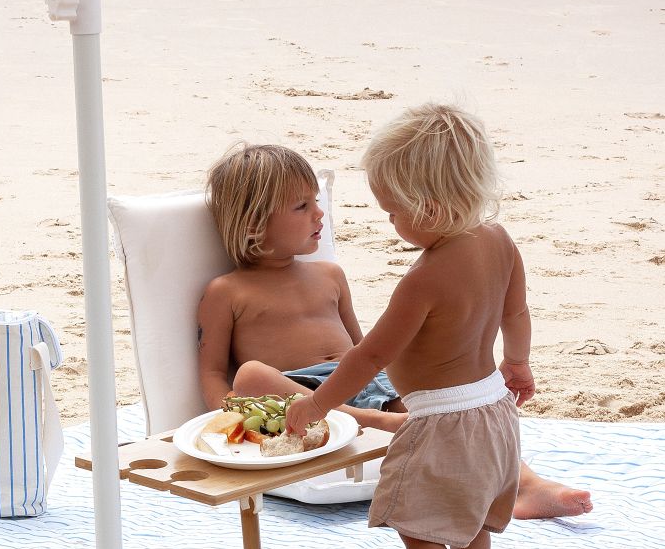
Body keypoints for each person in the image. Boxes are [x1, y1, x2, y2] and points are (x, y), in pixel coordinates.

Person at [197, 142, 592, 523]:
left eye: (317, 201)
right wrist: (227, 417)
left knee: (444, 405)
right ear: (252, 225)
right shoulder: (227, 291)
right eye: (302, 206)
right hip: (298, 391)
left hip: (359, 378)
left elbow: (364, 350)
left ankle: (526, 483)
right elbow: (214, 371)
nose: (320, 214)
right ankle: (368, 420)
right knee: (250, 373)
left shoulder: (329, 275)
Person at [284, 103, 539, 549]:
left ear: (429, 205)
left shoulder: (425, 279)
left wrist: (318, 404)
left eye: (393, 212)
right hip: (494, 405)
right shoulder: (497, 237)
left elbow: (369, 355)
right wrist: (517, 361)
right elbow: (516, 312)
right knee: (470, 513)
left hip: (443, 420)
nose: (391, 224)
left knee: (421, 525)